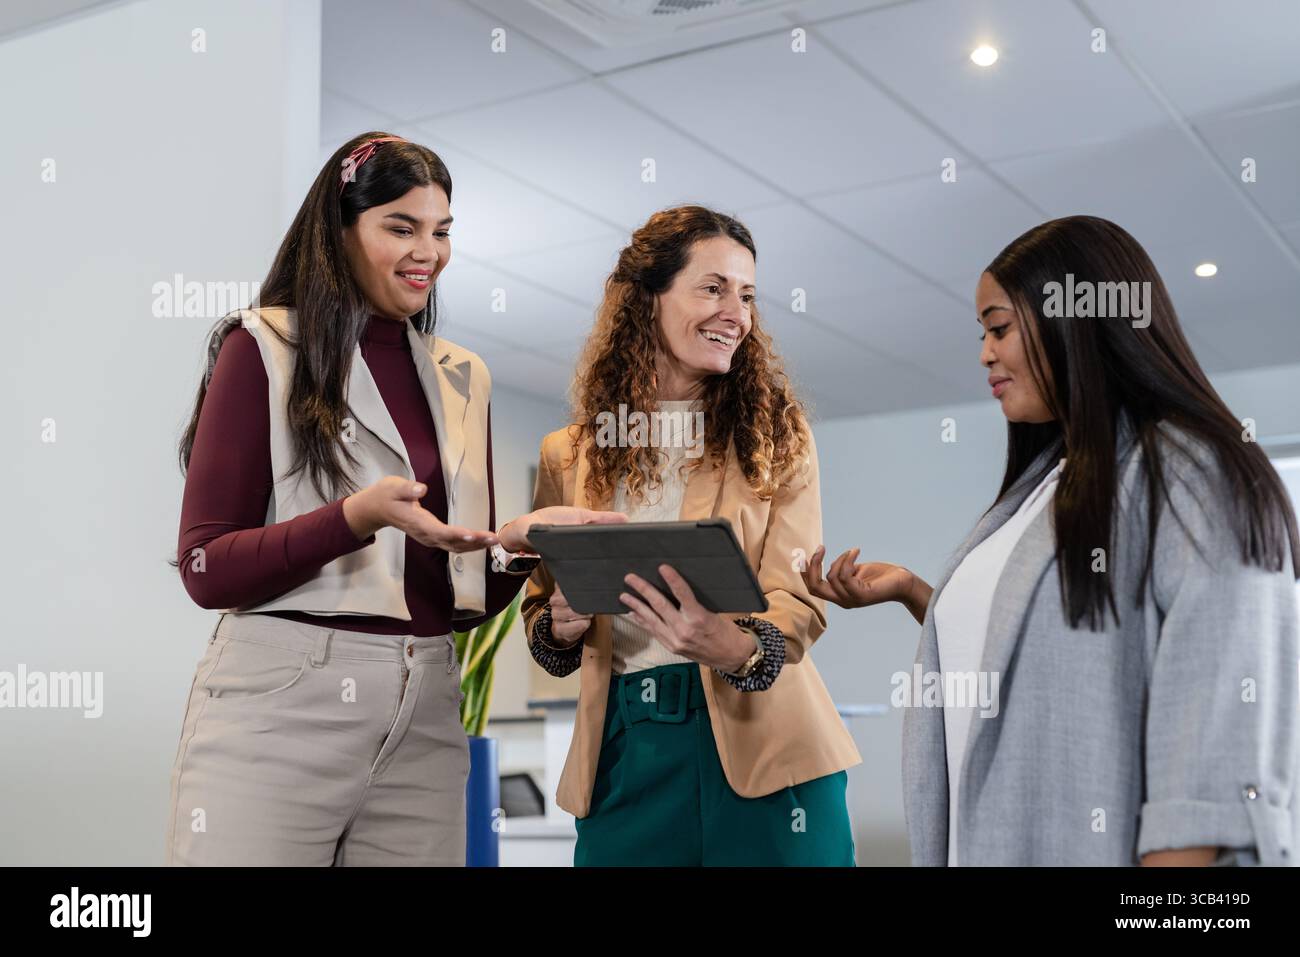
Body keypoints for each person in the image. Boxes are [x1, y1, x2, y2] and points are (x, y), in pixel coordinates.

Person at [166, 132, 622, 866]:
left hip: (428, 700)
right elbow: (204, 566)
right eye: (401, 228)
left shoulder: (462, 373)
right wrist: (356, 517)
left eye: (442, 232)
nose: (428, 253)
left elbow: (459, 601)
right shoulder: (261, 347)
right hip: (284, 696)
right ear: (340, 231)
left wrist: (516, 543)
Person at [804, 215, 1300, 866]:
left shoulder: (1191, 474)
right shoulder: (1044, 483)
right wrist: (917, 594)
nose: (984, 352)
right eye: (982, 332)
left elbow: (1207, 770)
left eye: (1000, 327)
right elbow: (1037, 660)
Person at [523, 205, 861, 866]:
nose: (735, 310)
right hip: (624, 750)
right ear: (645, 300)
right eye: (713, 287)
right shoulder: (569, 454)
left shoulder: (776, 438)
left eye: (747, 294)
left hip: (766, 746)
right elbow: (541, 608)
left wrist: (735, 643)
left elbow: (797, 596)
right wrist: (560, 625)